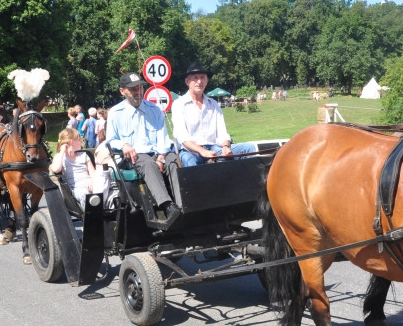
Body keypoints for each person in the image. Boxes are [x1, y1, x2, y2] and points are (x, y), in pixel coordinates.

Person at [104, 72, 182, 227]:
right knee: (147, 162)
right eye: (133, 89)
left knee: (173, 160)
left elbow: (163, 136)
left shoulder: (154, 109)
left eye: (139, 87)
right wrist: (123, 145)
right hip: (133, 157)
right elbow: (111, 141)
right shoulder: (115, 113)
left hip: (158, 153)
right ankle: (167, 206)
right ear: (122, 91)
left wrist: (161, 156)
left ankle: (181, 205)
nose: (138, 91)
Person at [171, 62, 255, 167]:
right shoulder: (179, 104)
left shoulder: (214, 104)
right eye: (195, 78)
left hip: (214, 148)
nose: (199, 81)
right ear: (187, 81)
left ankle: (247, 182)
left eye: (202, 77)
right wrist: (202, 151)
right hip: (190, 151)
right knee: (189, 161)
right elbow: (182, 137)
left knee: (249, 148)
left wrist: (225, 147)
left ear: (207, 81)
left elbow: (222, 132)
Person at [50, 128, 97, 209]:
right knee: (86, 195)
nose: (81, 142)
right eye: (79, 140)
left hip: (91, 184)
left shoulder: (83, 155)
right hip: (77, 188)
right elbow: (56, 169)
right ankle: (92, 216)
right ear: (72, 142)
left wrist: (92, 181)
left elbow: (93, 173)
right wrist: (62, 151)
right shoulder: (61, 157)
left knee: (104, 190)